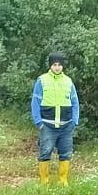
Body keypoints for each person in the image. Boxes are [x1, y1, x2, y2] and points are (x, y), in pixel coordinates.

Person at [29, 51, 78, 185]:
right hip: (47, 125)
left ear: (63, 66)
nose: (57, 67)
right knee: (45, 152)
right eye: (54, 64)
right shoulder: (42, 80)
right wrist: (38, 122)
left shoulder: (68, 81)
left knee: (66, 153)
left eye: (59, 65)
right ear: (50, 65)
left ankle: (63, 181)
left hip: (66, 125)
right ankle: (44, 181)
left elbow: (75, 102)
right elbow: (35, 102)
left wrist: (74, 121)